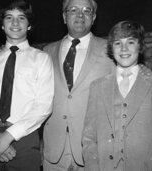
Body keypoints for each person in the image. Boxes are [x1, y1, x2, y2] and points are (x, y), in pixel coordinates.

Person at [0, 1, 54, 171]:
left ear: (29, 25)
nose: (15, 23)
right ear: (2, 25)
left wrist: (8, 136)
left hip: (24, 138)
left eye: (21, 18)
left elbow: (43, 106)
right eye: (9, 18)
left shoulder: (42, 59)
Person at [82, 20, 152, 171]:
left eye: (130, 42)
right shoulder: (97, 87)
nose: (124, 49)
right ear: (111, 48)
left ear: (140, 46)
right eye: (118, 43)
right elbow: (89, 137)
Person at [42, 0, 114, 170]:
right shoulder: (46, 52)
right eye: (73, 10)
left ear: (94, 17)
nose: (80, 15)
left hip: (93, 150)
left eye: (87, 10)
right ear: (64, 16)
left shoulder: (111, 50)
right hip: (53, 152)